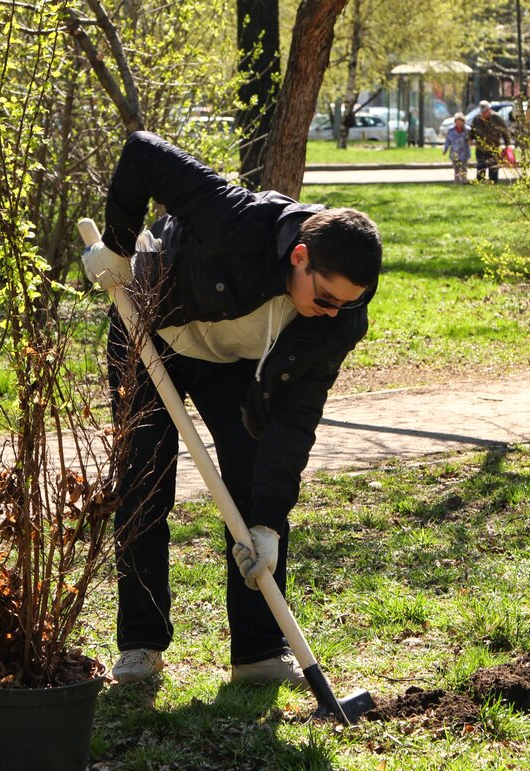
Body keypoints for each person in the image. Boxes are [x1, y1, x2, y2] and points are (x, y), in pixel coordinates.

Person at [81, 132, 382, 689]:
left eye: (348, 303)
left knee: (250, 485)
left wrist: (267, 520)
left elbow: (293, 425)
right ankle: (141, 646)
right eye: (325, 298)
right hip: (149, 327)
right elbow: (144, 153)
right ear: (299, 256)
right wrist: (118, 250)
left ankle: (260, 653)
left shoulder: (339, 318)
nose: (332, 313)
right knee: (144, 484)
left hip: (233, 362)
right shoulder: (236, 219)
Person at [470, 99, 511, 184]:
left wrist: (507, 144)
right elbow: (472, 131)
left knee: (493, 167)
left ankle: (493, 182)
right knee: (481, 166)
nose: (484, 114)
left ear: (489, 109)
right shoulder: (476, 119)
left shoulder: (497, 118)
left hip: (493, 147)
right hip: (480, 147)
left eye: (485, 111)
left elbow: (504, 131)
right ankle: (480, 182)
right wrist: (470, 138)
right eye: (482, 112)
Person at [442, 112, 470, 184]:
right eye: (457, 121)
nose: (459, 123)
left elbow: (471, 140)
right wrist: (445, 149)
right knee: (456, 169)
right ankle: (457, 182)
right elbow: (448, 141)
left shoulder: (467, 130)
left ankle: (464, 181)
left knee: (464, 168)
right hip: (454, 152)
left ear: (463, 122)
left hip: (464, 153)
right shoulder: (451, 130)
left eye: (460, 121)